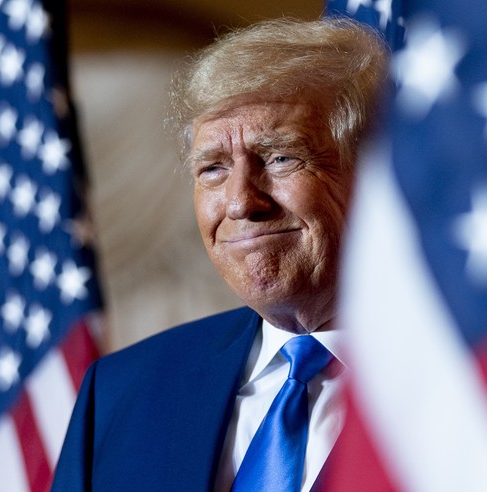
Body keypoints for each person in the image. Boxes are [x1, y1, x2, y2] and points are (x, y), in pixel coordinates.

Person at [51, 17, 388, 491]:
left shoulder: (483, 384)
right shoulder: (118, 394)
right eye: (213, 168)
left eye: (280, 157)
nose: (239, 202)